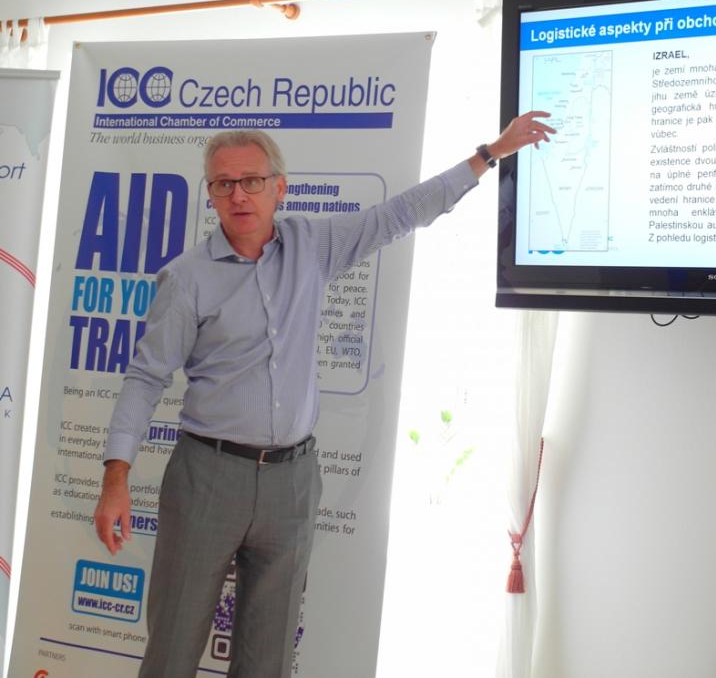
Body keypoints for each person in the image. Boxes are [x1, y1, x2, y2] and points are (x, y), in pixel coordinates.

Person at [93, 111, 556, 678]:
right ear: (210, 194)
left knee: (268, 659)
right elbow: (146, 377)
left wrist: (490, 153)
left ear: (279, 187)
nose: (239, 195)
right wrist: (115, 479)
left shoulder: (312, 246)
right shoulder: (187, 278)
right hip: (207, 477)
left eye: (252, 180)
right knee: (172, 650)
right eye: (224, 184)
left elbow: (400, 213)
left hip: (292, 483)